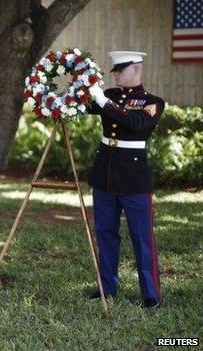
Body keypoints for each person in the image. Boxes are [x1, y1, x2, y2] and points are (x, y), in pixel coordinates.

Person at [87, 51, 164, 309]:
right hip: (105, 177)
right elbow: (83, 107)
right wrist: (84, 86)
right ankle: (106, 287)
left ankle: (150, 294)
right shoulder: (108, 95)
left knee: (142, 238)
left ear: (136, 70)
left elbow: (134, 123)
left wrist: (104, 103)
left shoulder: (153, 102)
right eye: (115, 70)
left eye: (121, 69)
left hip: (134, 181)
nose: (116, 74)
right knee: (106, 233)